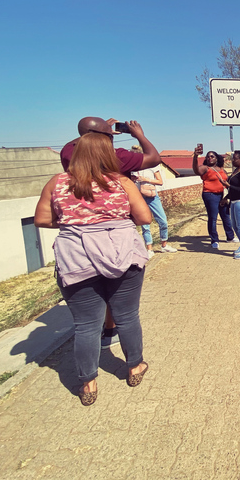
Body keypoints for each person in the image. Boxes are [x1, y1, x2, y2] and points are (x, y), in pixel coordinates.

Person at [35, 131, 151, 406]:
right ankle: (134, 367)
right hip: (122, 253)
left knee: (87, 324)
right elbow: (144, 217)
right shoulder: (121, 181)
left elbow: (41, 219)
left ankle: (88, 383)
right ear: (106, 155)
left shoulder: (58, 182)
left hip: (76, 257)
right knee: (127, 315)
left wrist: (77, 224)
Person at [60, 117, 160, 349]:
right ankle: (119, 342)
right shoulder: (116, 159)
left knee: (88, 310)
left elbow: (44, 219)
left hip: (79, 237)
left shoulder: (68, 154)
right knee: (120, 295)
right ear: (105, 139)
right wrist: (139, 135)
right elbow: (154, 158)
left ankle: (95, 352)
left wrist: (95, 129)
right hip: (115, 234)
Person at [131, 146, 177, 257]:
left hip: (152, 196)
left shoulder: (151, 166)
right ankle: (149, 248)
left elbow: (160, 181)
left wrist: (145, 179)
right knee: (145, 224)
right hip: (139, 196)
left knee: (163, 221)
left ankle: (164, 245)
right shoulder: (132, 167)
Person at [192, 145, 237, 249]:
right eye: (208, 157)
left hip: (222, 195)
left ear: (217, 158)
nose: (210, 158)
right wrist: (195, 156)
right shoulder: (205, 168)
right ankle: (214, 240)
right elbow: (196, 170)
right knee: (213, 218)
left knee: (226, 216)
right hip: (210, 195)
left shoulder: (221, 169)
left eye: (212, 156)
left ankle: (230, 237)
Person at [219, 150, 240, 259]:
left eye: (235, 159)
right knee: (235, 226)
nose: (233, 160)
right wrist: (226, 198)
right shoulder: (236, 171)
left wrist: (228, 185)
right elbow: (232, 191)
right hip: (234, 202)